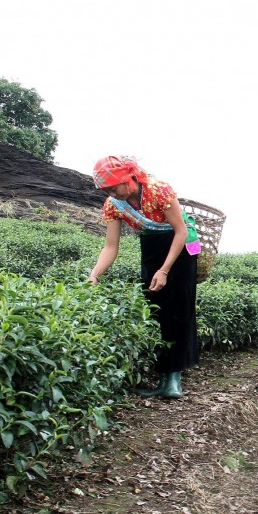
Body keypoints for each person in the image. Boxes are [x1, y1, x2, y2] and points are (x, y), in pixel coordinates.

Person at [87, 155, 200, 399]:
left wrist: (165, 270)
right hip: (151, 246)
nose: (111, 193)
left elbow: (180, 232)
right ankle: (162, 376)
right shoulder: (113, 204)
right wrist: (95, 273)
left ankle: (174, 379)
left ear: (128, 179)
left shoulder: (158, 191)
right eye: (105, 189)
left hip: (180, 249)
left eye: (112, 187)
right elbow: (110, 247)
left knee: (178, 308)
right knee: (155, 309)